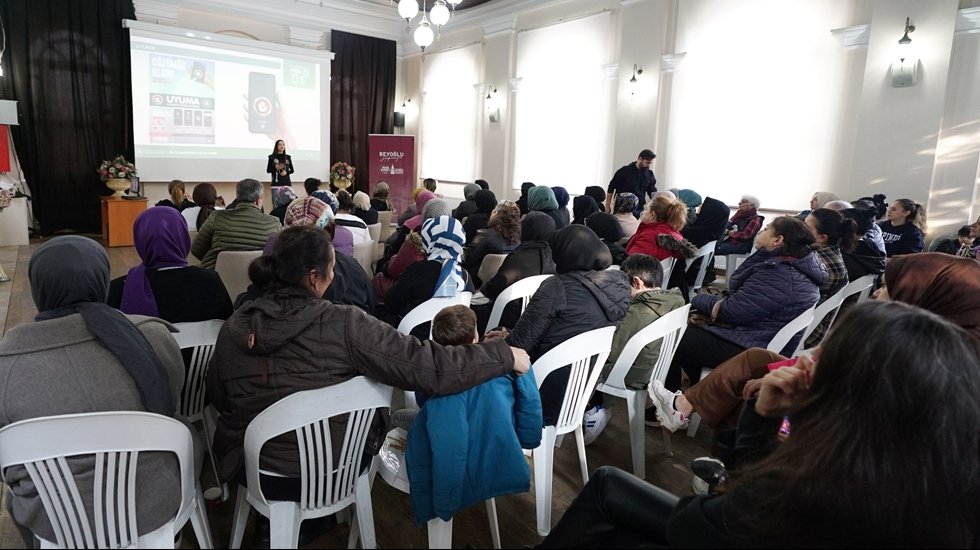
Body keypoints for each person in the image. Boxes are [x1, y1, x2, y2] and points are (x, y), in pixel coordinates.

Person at [538, 301, 980, 548]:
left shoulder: (822, 483)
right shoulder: (939, 475)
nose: (809, 356)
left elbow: (695, 525)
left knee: (606, 486)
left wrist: (763, 417)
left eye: (831, 349)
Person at [207, 226, 530, 544]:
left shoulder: (234, 325)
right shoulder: (346, 323)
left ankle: (274, 524)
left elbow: (220, 399)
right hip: (335, 470)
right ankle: (312, 518)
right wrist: (501, 354)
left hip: (257, 471)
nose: (335, 276)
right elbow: (432, 367)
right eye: (333, 268)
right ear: (314, 277)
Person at [0, 236, 187, 545]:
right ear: (100, 278)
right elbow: (171, 407)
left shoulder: (7, 362)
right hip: (151, 507)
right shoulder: (153, 336)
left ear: (37, 286)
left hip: (54, 522)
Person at [658, 216, 825, 411]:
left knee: (671, 336)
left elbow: (732, 311)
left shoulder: (780, 274)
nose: (761, 232)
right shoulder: (789, 265)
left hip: (750, 346)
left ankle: (673, 408)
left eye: (766, 229)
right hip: (756, 337)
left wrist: (697, 299)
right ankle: (701, 392)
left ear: (777, 240)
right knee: (686, 331)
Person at [403, 305, 542, 525]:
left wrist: (444, 503)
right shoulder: (507, 366)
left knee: (400, 416)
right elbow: (531, 403)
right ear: (476, 336)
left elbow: (450, 448)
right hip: (497, 441)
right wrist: (528, 439)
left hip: (456, 439)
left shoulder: (442, 389)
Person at [489, 224, 630, 425]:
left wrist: (503, 338)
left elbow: (518, 346)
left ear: (564, 253)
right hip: (581, 391)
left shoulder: (557, 287)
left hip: (540, 394)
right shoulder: (617, 285)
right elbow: (565, 332)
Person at [582, 253, 686, 445]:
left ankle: (594, 408)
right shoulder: (674, 300)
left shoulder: (637, 313)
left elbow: (611, 352)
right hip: (655, 368)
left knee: (582, 360)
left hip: (632, 374)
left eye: (624, 285)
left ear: (637, 283)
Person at [107, 207, 232, 322]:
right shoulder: (211, 282)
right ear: (183, 238)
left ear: (139, 240)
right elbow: (226, 324)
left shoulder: (118, 291)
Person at [380, 216, 472, 336]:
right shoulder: (464, 276)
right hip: (449, 337)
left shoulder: (418, 270)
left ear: (429, 240)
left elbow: (391, 303)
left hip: (412, 334)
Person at [476, 211, 557, 333]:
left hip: (506, 320)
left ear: (528, 229)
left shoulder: (519, 258)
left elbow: (494, 287)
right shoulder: (554, 258)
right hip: (539, 322)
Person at [191, 178, 282, 269]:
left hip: (215, 278)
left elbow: (196, 250)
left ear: (238, 197)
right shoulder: (274, 223)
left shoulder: (217, 217)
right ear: (258, 200)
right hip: (257, 279)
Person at [801, 208, 854, 347]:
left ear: (822, 237)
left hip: (806, 330)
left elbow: (789, 295)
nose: (800, 229)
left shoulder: (823, 264)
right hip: (802, 320)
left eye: (806, 227)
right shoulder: (820, 252)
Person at [461, 200, 520, 287]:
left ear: (495, 213)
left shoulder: (484, 234)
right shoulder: (518, 238)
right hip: (504, 282)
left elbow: (467, 259)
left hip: (475, 282)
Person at [625, 195, 698, 261]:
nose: (643, 212)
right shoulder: (673, 234)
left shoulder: (649, 236)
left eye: (646, 209)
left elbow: (630, 263)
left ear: (652, 215)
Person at [605, 149, 656, 215]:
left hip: (639, 207)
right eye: (647, 162)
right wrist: (607, 206)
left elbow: (652, 192)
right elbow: (611, 188)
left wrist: (654, 209)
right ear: (640, 159)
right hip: (622, 208)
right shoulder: (624, 171)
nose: (649, 166)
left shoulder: (650, 174)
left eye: (650, 163)